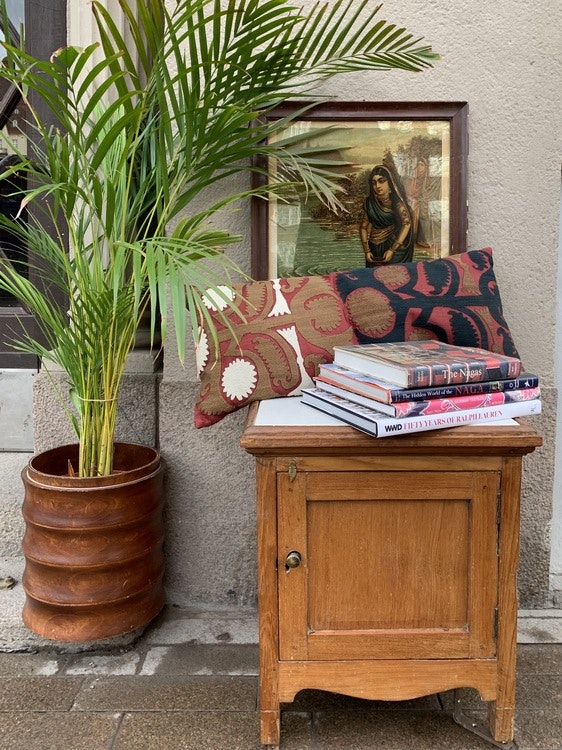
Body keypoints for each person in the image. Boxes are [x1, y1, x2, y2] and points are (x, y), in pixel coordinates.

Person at [359, 164, 414, 265]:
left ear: (390, 182)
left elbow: (407, 224)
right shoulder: (370, 203)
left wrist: (392, 250)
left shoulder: (397, 203)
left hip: (392, 245)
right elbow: (363, 227)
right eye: (374, 183)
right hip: (373, 248)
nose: (377, 186)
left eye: (381, 181)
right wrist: (367, 251)